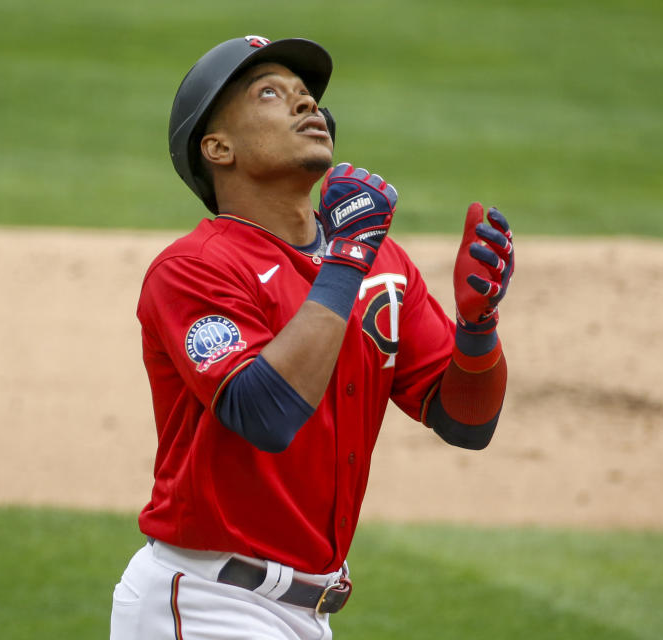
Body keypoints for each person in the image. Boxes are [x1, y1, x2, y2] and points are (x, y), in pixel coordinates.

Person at [110, 35, 515, 640]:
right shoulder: (196, 269)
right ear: (217, 147)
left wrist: (478, 329)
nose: (307, 106)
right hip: (205, 603)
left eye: (308, 96)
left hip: (307, 613)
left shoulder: (382, 264)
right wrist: (349, 257)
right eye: (270, 94)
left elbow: (466, 423)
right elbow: (263, 414)